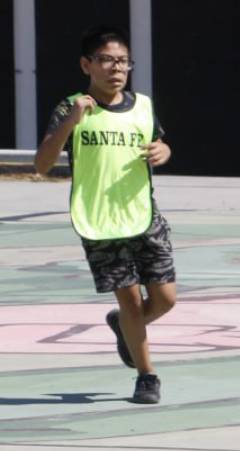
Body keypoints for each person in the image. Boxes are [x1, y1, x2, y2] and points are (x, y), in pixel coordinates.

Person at [33, 25, 175, 404]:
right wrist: (71, 121)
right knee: (130, 301)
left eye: (124, 61)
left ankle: (124, 327)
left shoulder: (142, 105)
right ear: (87, 65)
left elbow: (159, 142)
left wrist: (164, 151)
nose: (117, 68)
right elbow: (42, 165)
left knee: (165, 299)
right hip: (99, 221)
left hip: (143, 215)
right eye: (107, 60)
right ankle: (147, 376)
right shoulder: (70, 107)